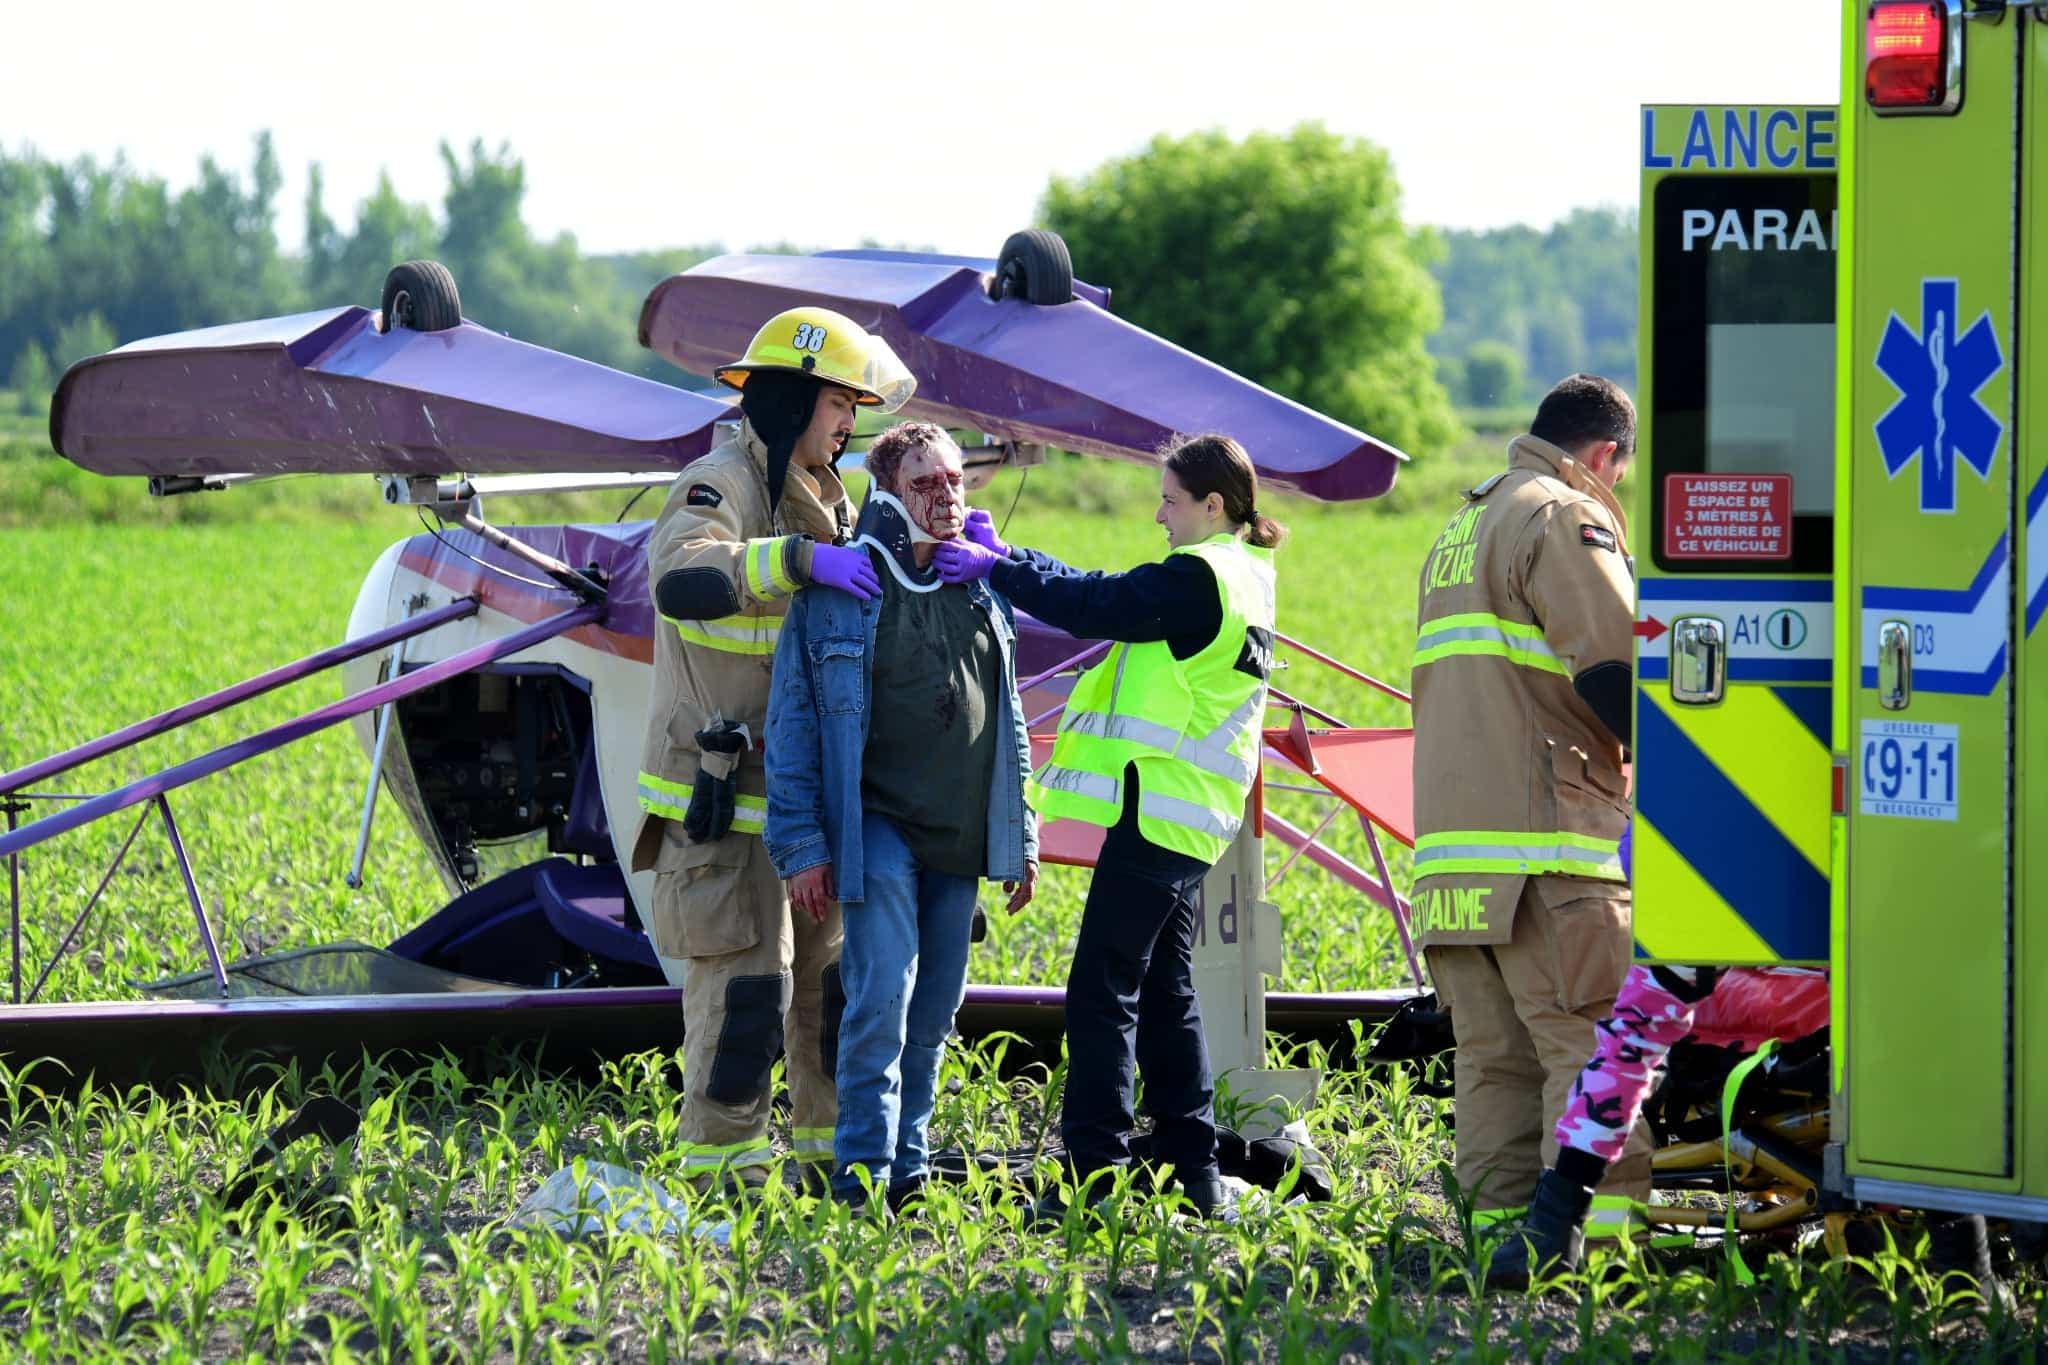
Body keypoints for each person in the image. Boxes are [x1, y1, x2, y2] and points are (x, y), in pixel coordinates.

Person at [935, 432, 1283, 1221]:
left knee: (1100, 989)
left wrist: (999, 568)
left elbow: (1095, 604)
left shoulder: (1198, 577)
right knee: (1164, 989)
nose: (1160, 515)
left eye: (1169, 500)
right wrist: (1011, 557)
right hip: (1190, 815)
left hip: (1162, 812)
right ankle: (1194, 1172)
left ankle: (1095, 1179)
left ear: (1212, 504)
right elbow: (1103, 591)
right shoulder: (1242, 573)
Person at [629, 305, 914, 1192]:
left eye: (855, 406)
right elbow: (682, 578)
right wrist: (796, 561)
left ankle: (831, 1165)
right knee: (747, 992)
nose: (849, 422)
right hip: (725, 798)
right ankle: (725, 1182)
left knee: (828, 992)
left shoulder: (826, 493)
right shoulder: (716, 486)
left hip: (807, 802)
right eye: (838, 402)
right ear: (790, 400)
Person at [765, 421, 1039, 1216]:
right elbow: (792, 723)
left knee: (936, 1011)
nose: (947, 495)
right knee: (882, 994)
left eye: (954, 479)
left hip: (961, 829)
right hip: (878, 823)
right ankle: (861, 1174)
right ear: (887, 491)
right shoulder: (841, 587)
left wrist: (1021, 834)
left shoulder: (980, 582)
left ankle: (909, 1170)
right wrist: (802, 846)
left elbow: (1011, 717)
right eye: (926, 482)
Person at [1409, 374, 1651, 1243]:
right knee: (1589, 1048)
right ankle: (1602, 1252)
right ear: (1604, 454)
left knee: (1493, 1065)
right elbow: (1616, 666)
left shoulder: (1462, 525)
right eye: (1620, 472)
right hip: (1549, 845)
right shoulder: (1561, 514)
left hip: (1454, 861)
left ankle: (1498, 1249)